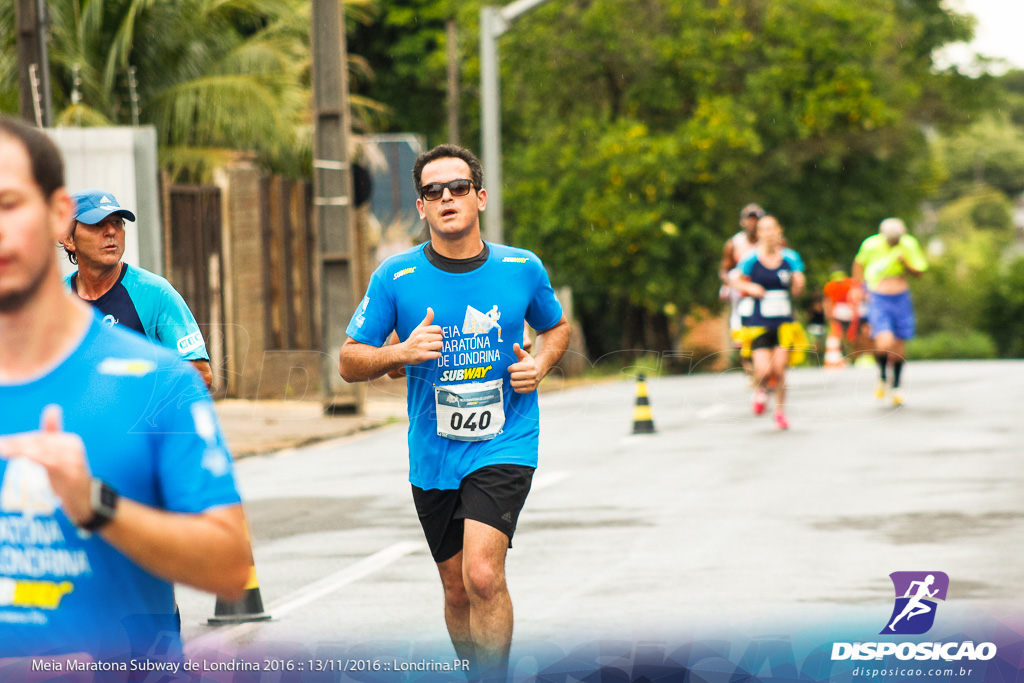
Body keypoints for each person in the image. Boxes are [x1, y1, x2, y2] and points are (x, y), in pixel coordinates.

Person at [0, 115, 249, 664]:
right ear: (72, 236)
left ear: (52, 217)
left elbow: (230, 566)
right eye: (99, 224)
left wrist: (101, 497)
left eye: (10, 203)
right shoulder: (63, 301)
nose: (111, 232)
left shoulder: (153, 326)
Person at [338, 144, 570, 678]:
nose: (447, 198)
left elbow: (556, 326)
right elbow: (350, 361)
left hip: (505, 440)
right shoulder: (395, 278)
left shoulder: (521, 268)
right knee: (456, 587)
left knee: (483, 574)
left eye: (458, 188)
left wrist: (540, 363)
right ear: (421, 207)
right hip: (434, 454)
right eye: (432, 191)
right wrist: (399, 352)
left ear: (480, 197)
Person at [60, 189, 214, 389]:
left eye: (117, 223)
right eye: (97, 224)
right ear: (69, 239)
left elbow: (201, 375)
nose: (111, 231)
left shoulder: (155, 293)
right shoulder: (53, 300)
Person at [731, 215, 807, 430]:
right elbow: (734, 279)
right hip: (759, 321)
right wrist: (749, 288)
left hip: (784, 321)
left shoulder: (790, 258)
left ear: (779, 231)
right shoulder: (750, 259)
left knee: (780, 370)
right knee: (763, 371)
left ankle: (780, 411)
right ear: (759, 234)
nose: (769, 233)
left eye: (773, 229)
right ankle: (761, 389)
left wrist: (799, 285)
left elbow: (797, 287)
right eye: (764, 230)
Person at [851, 218, 928, 405]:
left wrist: (906, 263)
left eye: (897, 239)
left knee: (899, 345)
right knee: (884, 341)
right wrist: (859, 288)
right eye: (891, 239)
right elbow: (858, 264)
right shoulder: (871, 244)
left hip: (901, 297)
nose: (894, 242)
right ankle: (883, 376)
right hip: (878, 297)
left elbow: (919, 272)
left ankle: (897, 387)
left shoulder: (909, 244)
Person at [720, 203, 765, 377]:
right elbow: (725, 270)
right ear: (742, 222)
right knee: (741, 330)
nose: (752, 224)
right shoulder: (734, 243)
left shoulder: (769, 241)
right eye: (749, 219)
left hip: (763, 289)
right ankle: (749, 366)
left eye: (756, 220)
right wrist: (728, 284)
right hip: (741, 292)